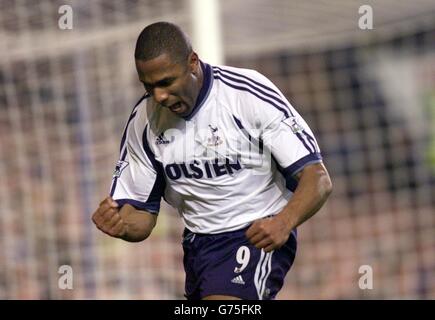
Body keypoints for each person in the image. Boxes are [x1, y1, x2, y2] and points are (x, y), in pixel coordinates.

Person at [92, 21, 332, 300]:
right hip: (199, 247)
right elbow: (141, 217)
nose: (159, 96)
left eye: (166, 82)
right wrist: (122, 225)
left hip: (254, 233)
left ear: (192, 62)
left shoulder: (246, 95)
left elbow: (318, 178)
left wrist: (284, 222)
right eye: (149, 86)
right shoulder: (143, 121)